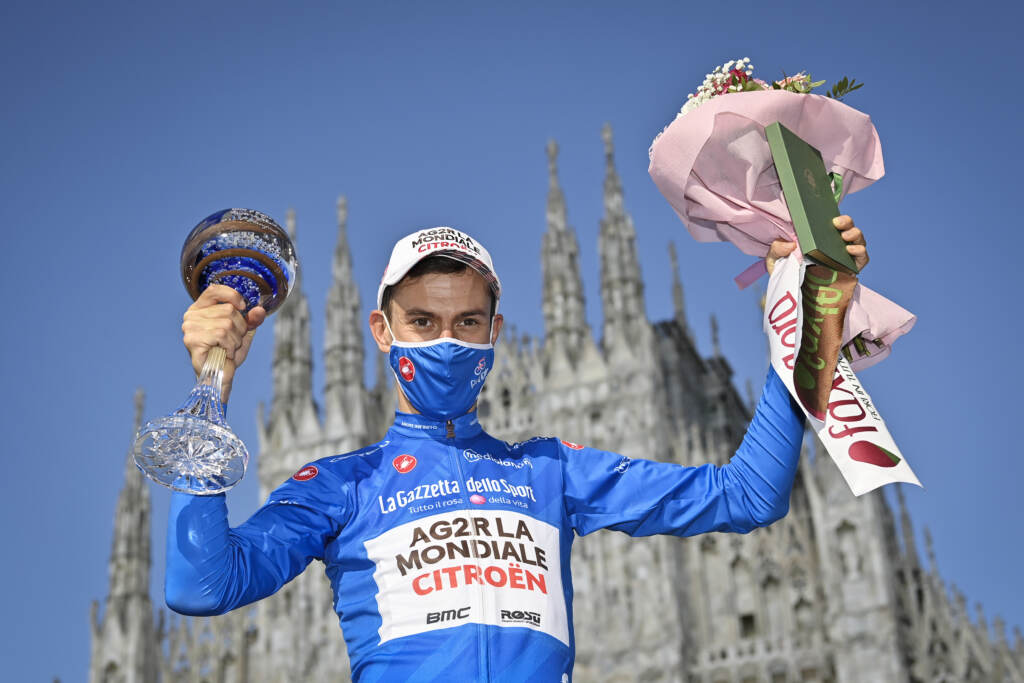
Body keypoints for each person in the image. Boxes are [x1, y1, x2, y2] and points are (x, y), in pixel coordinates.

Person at [167, 219, 868, 681]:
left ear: (495, 330)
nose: (446, 341)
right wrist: (212, 385)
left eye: (466, 322)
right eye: (423, 321)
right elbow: (201, 584)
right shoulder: (342, 486)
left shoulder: (550, 470)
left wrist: (808, 325)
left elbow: (749, 494)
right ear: (381, 330)